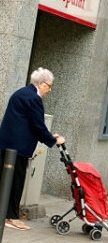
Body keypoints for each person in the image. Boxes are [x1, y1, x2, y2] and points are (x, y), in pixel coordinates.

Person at [0, 67, 65, 230]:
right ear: (41, 84)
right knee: (16, 183)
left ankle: (5, 214)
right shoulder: (34, 98)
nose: (49, 90)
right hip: (18, 149)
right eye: (49, 86)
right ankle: (11, 217)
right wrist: (53, 140)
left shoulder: (21, 93)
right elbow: (38, 125)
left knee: (5, 180)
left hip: (7, 145)